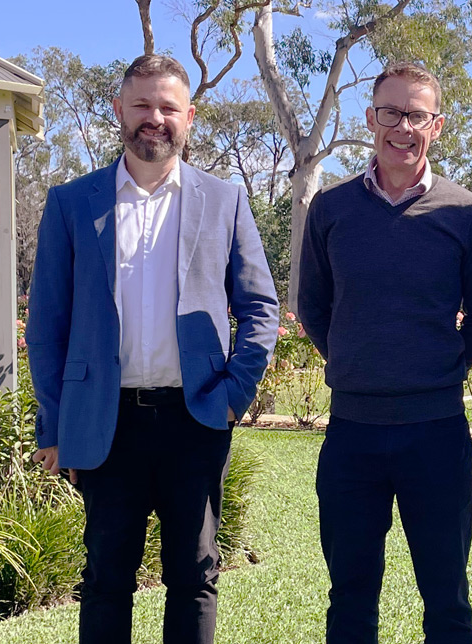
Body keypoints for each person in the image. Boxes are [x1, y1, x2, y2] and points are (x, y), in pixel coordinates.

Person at [25, 54, 279, 644]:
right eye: (142, 104)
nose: (154, 118)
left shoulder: (225, 200)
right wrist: (53, 425)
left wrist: (235, 395)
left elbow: (261, 309)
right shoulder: (71, 203)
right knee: (106, 578)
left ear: (189, 116)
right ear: (118, 110)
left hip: (197, 417)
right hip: (106, 423)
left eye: (168, 107)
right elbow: (47, 325)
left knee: (193, 577)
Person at [298, 61, 472, 644]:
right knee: (350, 596)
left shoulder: (468, 213)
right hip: (352, 435)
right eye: (391, 112)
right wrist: (359, 361)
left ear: (435, 126)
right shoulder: (332, 211)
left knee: (447, 595)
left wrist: (434, 370)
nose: (403, 127)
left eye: (417, 115)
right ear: (370, 119)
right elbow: (314, 307)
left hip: (435, 432)